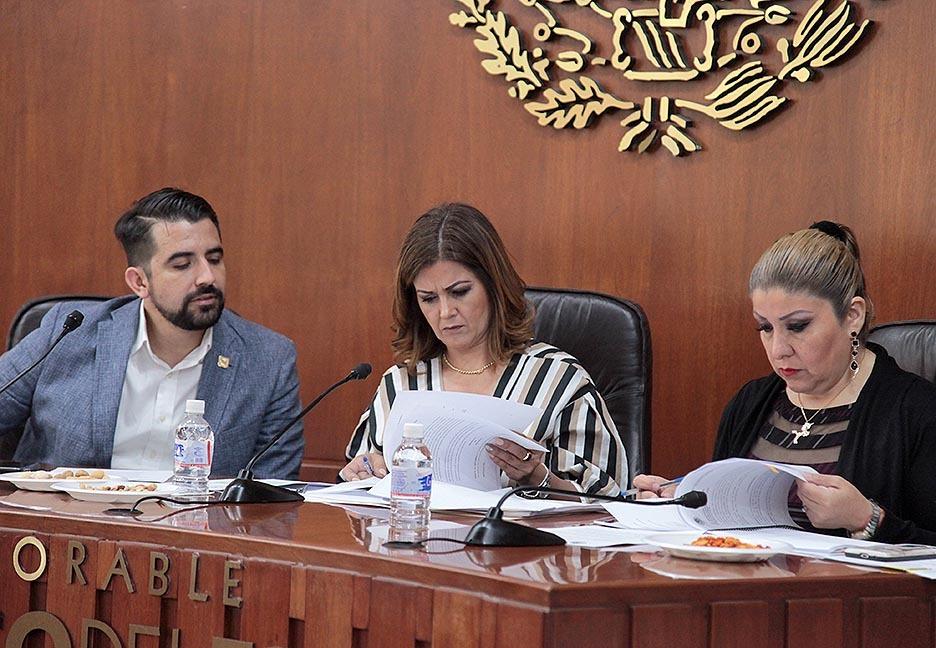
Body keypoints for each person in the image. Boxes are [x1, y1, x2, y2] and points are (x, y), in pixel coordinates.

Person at [634, 222, 936, 544]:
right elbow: (723, 529)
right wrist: (681, 503)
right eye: (765, 328)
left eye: (798, 326)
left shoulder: (916, 411)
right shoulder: (749, 403)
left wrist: (868, 519)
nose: (778, 349)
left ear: (852, 315)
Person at [0, 188, 304, 478]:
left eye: (214, 259)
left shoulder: (268, 360)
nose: (207, 277)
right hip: (67, 512)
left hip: (197, 516)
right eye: (182, 264)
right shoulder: (70, 332)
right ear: (139, 282)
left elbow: (271, 493)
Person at [341, 203, 626, 496]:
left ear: (494, 286)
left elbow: (608, 500)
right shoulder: (400, 385)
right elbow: (360, 487)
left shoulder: (559, 381)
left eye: (459, 292)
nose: (445, 312)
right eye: (429, 298)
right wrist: (362, 472)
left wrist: (537, 477)